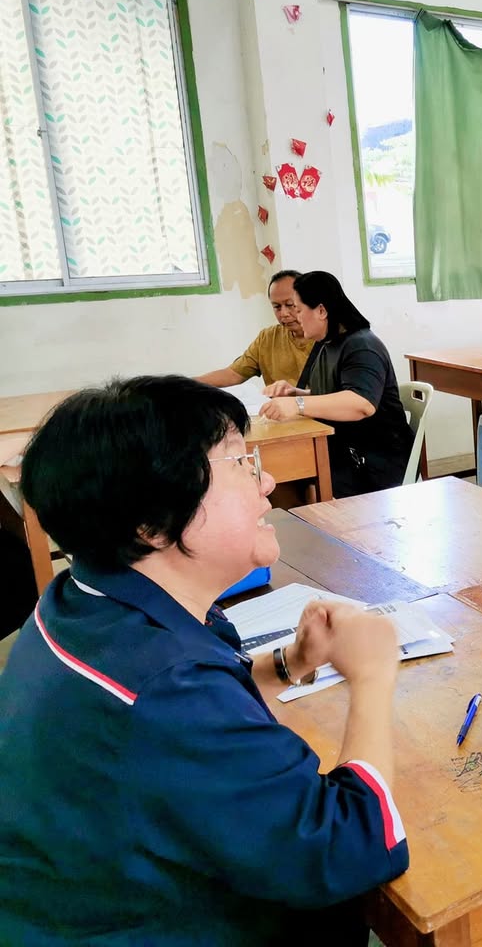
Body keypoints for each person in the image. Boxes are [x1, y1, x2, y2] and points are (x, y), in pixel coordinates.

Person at [0, 376, 409, 945]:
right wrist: (371, 676)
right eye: (241, 464)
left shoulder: (79, 600)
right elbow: (353, 845)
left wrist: (290, 663)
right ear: (151, 523)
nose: (267, 482)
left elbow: (187, 725)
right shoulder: (165, 687)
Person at [259, 271, 412, 498]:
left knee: (288, 474)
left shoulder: (362, 345)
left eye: (299, 310)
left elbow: (361, 403)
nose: (296, 318)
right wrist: (297, 393)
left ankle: (312, 526)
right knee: (278, 471)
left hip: (374, 460)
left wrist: (298, 404)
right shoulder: (327, 344)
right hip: (344, 449)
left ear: (321, 311)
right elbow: (336, 392)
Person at [196, 269, 313, 387]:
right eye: (277, 307)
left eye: (290, 305)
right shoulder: (267, 338)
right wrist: (186, 385)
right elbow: (233, 374)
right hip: (278, 405)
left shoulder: (326, 339)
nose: (283, 313)